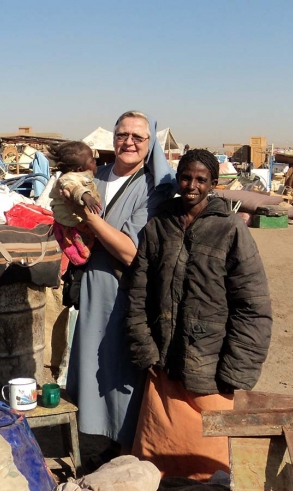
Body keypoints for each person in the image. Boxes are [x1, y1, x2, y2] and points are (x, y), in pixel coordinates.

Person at [126, 149, 272, 480]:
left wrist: (236, 372)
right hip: (163, 365)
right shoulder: (159, 225)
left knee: (210, 470)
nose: (192, 185)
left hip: (211, 369)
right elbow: (137, 293)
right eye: (186, 177)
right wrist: (144, 347)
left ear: (214, 184)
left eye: (201, 179)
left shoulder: (231, 229)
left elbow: (254, 306)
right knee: (158, 464)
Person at [65, 111, 176, 460]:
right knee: (95, 365)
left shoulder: (152, 188)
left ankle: (129, 450)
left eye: (137, 137)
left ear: (150, 143)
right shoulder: (93, 176)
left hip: (124, 292)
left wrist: (89, 220)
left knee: (122, 370)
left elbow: (130, 251)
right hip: (91, 287)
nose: (128, 142)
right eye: (121, 134)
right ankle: (110, 445)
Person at [48, 141, 101, 266]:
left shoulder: (82, 175)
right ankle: (80, 259)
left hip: (76, 220)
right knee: (78, 243)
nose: (95, 162)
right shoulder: (69, 177)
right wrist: (86, 196)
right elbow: (72, 188)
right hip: (70, 221)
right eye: (92, 160)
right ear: (80, 169)